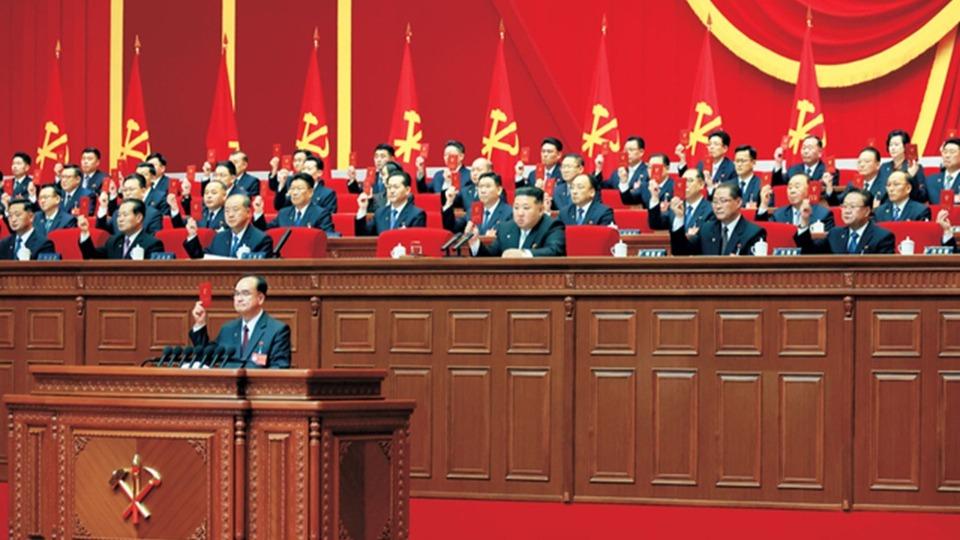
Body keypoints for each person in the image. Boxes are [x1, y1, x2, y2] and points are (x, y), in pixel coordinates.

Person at [189, 275, 291, 369]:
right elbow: (207, 358)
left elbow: (279, 368)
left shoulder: (277, 330)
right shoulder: (228, 329)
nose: (239, 299)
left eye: (245, 293)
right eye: (237, 294)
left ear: (260, 298)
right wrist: (200, 323)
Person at [466, 186, 565, 257]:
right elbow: (490, 256)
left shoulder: (552, 226)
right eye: (516, 208)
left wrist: (523, 254)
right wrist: (475, 242)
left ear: (540, 210)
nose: (520, 213)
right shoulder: (505, 228)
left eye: (526, 208)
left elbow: (554, 251)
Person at [669, 182, 765, 256]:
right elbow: (680, 251)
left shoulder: (753, 233)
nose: (718, 206)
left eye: (723, 201)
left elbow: (758, 268)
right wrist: (679, 217)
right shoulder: (706, 229)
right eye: (714, 202)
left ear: (738, 202)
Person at [794, 188, 895, 254]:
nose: (847, 211)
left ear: (867, 211)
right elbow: (809, 252)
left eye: (852, 206)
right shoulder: (835, 234)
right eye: (844, 206)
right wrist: (804, 221)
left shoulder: (882, 237)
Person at [183, 194, 273, 259]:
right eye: (226, 211)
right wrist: (192, 235)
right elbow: (203, 259)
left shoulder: (261, 239)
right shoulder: (219, 237)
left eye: (235, 210)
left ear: (248, 212)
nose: (230, 215)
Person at [77, 199, 163, 259]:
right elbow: (92, 257)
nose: (120, 219)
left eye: (125, 215)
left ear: (138, 218)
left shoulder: (152, 244)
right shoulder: (113, 241)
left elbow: (154, 274)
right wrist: (85, 232)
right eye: (119, 215)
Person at [252, 173, 334, 232]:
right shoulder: (283, 213)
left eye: (299, 188)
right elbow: (265, 231)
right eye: (292, 188)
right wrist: (258, 212)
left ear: (310, 192)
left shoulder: (321, 214)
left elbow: (328, 237)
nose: (294, 193)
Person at [355, 171, 426, 235]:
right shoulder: (380, 213)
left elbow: (415, 241)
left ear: (407, 190)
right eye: (389, 187)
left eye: (396, 187)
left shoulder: (416, 214)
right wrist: (362, 209)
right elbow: (363, 237)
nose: (391, 191)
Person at [756, 173, 835, 230]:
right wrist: (764, 204)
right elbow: (764, 232)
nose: (792, 191)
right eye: (790, 188)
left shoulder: (823, 214)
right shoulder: (779, 214)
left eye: (797, 187)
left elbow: (821, 243)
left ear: (809, 190)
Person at [442, 172, 512, 235]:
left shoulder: (509, 213)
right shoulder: (473, 210)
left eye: (488, 186)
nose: (483, 191)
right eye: (480, 187)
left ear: (499, 190)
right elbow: (452, 228)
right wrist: (449, 202)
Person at [647, 169, 713, 232]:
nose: (685, 184)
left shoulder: (710, 209)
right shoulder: (676, 206)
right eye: (683, 181)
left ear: (701, 184)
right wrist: (654, 197)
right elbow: (655, 224)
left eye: (690, 180)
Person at [96, 174, 163, 235]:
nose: (127, 193)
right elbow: (104, 233)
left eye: (131, 189)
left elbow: (153, 240)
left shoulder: (153, 214)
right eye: (125, 190)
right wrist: (103, 207)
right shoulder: (117, 213)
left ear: (143, 191)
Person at [879, 129, 927, 202]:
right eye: (890, 145)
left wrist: (910, 177)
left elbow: (922, 196)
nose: (893, 148)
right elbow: (881, 191)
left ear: (905, 147)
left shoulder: (914, 167)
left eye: (896, 145)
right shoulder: (884, 167)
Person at [925, 137, 960, 204]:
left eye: (952, 152)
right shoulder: (931, 180)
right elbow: (916, 197)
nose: (947, 155)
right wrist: (911, 176)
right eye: (945, 152)